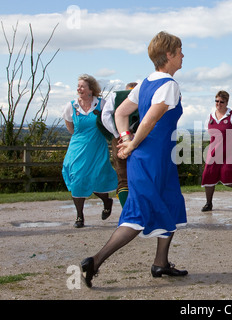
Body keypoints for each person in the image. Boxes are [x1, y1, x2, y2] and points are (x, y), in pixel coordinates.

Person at [80, 31, 187, 288]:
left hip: (157, 160)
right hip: (152, 160)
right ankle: (95, 261)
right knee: (137, 216)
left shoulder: (146, 82)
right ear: (169, 55)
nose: (183, 55)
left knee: (170, 204)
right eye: (180, 51)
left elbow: (121, 112)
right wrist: (131, 143)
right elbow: (149, 120)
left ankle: (161, 262)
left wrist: (126, 137)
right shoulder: (169, 85)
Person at [62, 74, 118, 228]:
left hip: (97, 147)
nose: (79, 89)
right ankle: (79, 216)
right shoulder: (71, 106)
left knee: (97, 177)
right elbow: (70, 127)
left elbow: (110, 122)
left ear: (91, 90)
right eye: (78, 86)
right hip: (78, 147)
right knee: (77, 178)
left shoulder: (101, 104)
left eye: (82, 86)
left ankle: (107, 201)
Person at [201, 90, 232, 212]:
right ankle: (209, 203)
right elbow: (209, 131)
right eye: (216, 101)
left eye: (222, 102)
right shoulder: (210, 116)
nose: (218, 104)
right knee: (208, 175)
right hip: (214, 150)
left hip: (230, 151)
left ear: (227, 102)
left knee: (227, 176)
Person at [101, 82, 138, 207]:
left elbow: (105, 116)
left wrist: (118, 134)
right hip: (140, 138)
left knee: (123, 179)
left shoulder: (116, 96)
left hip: (120, 139)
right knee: (141, 176)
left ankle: (127, 212)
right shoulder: (145, 95)